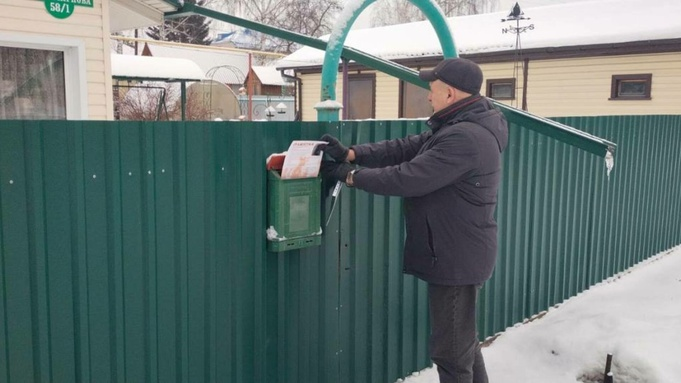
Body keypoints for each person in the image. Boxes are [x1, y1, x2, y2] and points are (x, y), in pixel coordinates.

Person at [320, 57, 508, 383]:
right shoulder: (461, 125)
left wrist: (350, 177)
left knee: (451, 352)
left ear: (449, 93)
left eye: (432, 91)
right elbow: (407, 147)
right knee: (461, 345)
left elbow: (408, 178)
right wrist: (353, 154)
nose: (429, 97)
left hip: (456, 256)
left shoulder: (465, 137)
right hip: (459, 249)